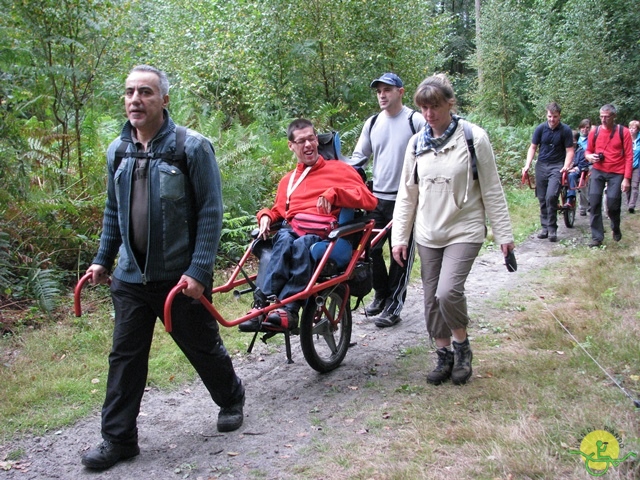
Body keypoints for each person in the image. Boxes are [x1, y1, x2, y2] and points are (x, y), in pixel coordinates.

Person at [81, 65, 244, 470]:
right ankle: (118, 439)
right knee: (125, 357)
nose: (135, 99)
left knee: (201, 346)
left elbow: (210, 211)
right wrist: (103, 258)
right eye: (130, 92)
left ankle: (231, 397)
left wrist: (200, 270)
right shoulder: (117, 150)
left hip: (179, 280)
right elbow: (113, 210)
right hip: (131, 278)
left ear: (164, 100)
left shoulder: (192, 148)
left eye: (146, 93)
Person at [391, 74, 514, 386]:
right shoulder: (416, 143)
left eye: (435, 106)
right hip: (429, 231)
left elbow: (492, 189)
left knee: (448, 292)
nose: (429, 114)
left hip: (465, 227)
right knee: (431, 299)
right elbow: (408, 194)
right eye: (423, 108)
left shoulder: (474, 137)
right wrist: (399, 237)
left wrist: (504, 236)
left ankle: (462, 348)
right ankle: (443, 355)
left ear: (450, 103)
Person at [238, 118, 378, 332]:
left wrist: (336, 194)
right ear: (291, 145)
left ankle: (289, 309)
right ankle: (262, 306)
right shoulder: (289, 180)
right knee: (283, 239)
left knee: (301, 244)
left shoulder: (340, 171)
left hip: (326, 235)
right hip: (293, 229)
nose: (308, 145)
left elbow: (369, 200)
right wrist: (265, 215)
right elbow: (279, 210)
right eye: (301, 141)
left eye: (311, 139)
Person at [344, 73, 425, 328]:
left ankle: (394, 304)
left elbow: (433, 152)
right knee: (371, 250)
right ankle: (381, 294)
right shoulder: (372, 123)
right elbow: (358, 159)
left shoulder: (416, 121)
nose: (382, 94)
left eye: (387, 89)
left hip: (407, 201)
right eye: (378, 90)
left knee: (400, 253)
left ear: (400, 92)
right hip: (376, 200)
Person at [522, 102, 575, 242]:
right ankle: (544, 227)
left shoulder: (566, 130)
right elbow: (532, 147)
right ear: (547, 115)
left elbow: (570, 151)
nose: (552, 119)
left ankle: (552, 228)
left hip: (557, 166)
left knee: (551, 196)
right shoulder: (540, 129)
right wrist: (527, 165)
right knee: (541, 197)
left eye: (555, 117)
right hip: (542, 165)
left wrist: (566, 165)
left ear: (559, 116)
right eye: (550, 116)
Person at [585, 104, 633, 247]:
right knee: (594, 203)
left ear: (614, 116)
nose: (604, 119)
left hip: (616, 172)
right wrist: (589, 157)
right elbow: (587, 151)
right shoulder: (595, 131)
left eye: (607, 116)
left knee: (613, 204)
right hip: (598, 170)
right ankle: (597, 237)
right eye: (601, 116)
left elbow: (629, 156)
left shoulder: (623, 132)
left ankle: (615, 226)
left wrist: (626, 178)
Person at [564, 130, 590, 208]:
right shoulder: (563, 150)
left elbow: (583, 164)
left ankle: (570, 199)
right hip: (564, 170)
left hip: (576, 172)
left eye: (573, 140)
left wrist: (575, 168)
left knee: (571, 176)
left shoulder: (581, 151)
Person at [577, 118, 592, 215]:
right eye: (583, 127)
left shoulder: (592, 139)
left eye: (587, 128)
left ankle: (591, 204)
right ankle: (582, 207)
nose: (584, 130)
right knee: (581, 185)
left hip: (590, 165)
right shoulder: (576, 139)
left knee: (591, 184)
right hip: (579, 165)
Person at [626, 120, 640, 213]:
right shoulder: (626, 138)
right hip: (627, 165)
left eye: (633, 128)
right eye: (630, 128)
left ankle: (631, 205)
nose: (631, 130)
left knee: (635, 186)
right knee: (628, 186)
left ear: (638, 129)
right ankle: (628, 203)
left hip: (637, 166)